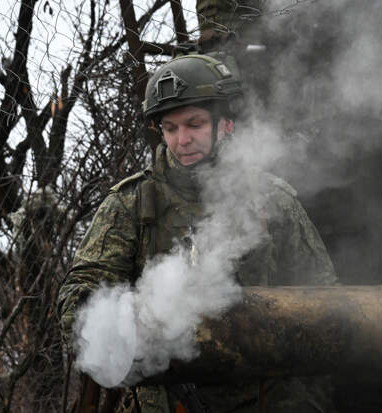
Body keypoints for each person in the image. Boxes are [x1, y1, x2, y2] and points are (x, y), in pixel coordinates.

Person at [58, 53, 339, 413]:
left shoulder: (272, 200)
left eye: (194, 124)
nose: (182, 139)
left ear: (226, 124)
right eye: (170, 128)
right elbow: (82, 294)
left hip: (270, 399)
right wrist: (119, 326)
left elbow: (324, 304)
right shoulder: (132, 203)